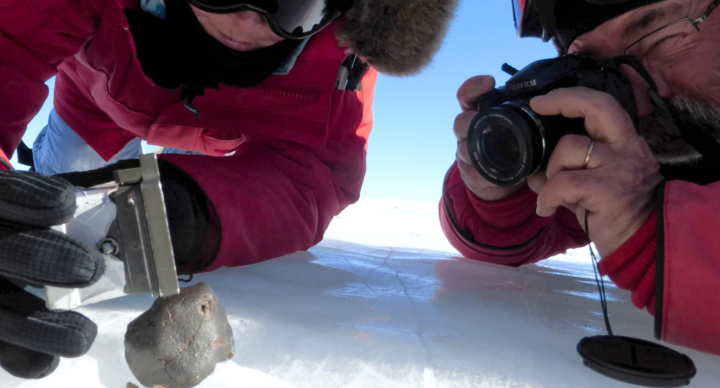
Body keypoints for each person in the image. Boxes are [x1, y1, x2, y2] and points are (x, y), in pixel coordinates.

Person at [0, 0, 460, 379]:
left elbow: (315, 175)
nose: (247, 20)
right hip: (94, 109)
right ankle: (44, 157)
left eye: (292, 3)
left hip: (214, 142)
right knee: (55, 186)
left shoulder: (340, 54)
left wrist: (181, 214)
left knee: (116, 213)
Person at [441, 0, 720, 356]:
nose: (638, 99)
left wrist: (657, 236)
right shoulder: (634, 150)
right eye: (604, 74)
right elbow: (509, 241)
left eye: (661, 43)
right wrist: (501, 193)